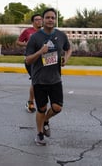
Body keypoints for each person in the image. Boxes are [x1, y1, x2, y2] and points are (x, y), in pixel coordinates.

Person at [25, 8, 72, 146]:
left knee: (57, 107)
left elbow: (68, 48)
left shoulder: (61, 35)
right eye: (47, 17)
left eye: (53, 17)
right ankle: (39, 134)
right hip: (39, 79)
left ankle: (45, 120)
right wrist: (40, 51)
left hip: (55, 79)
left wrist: (66, 59)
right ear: (43, 20)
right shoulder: (35, 38)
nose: (50, 20)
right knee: (41, 108)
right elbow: (28, 60)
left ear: (55, 19)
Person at [16, 13, 43, 113]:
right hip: (30, 60)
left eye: (40, 19)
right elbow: (18, 42)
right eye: (37, 19)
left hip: (42, 61)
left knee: (42, 82)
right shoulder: (28, 31)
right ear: (33, 22)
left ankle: (39, 101)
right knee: (35, 81)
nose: (39, 21)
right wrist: (26, 44)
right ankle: (30, 102)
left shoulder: (45, 32)